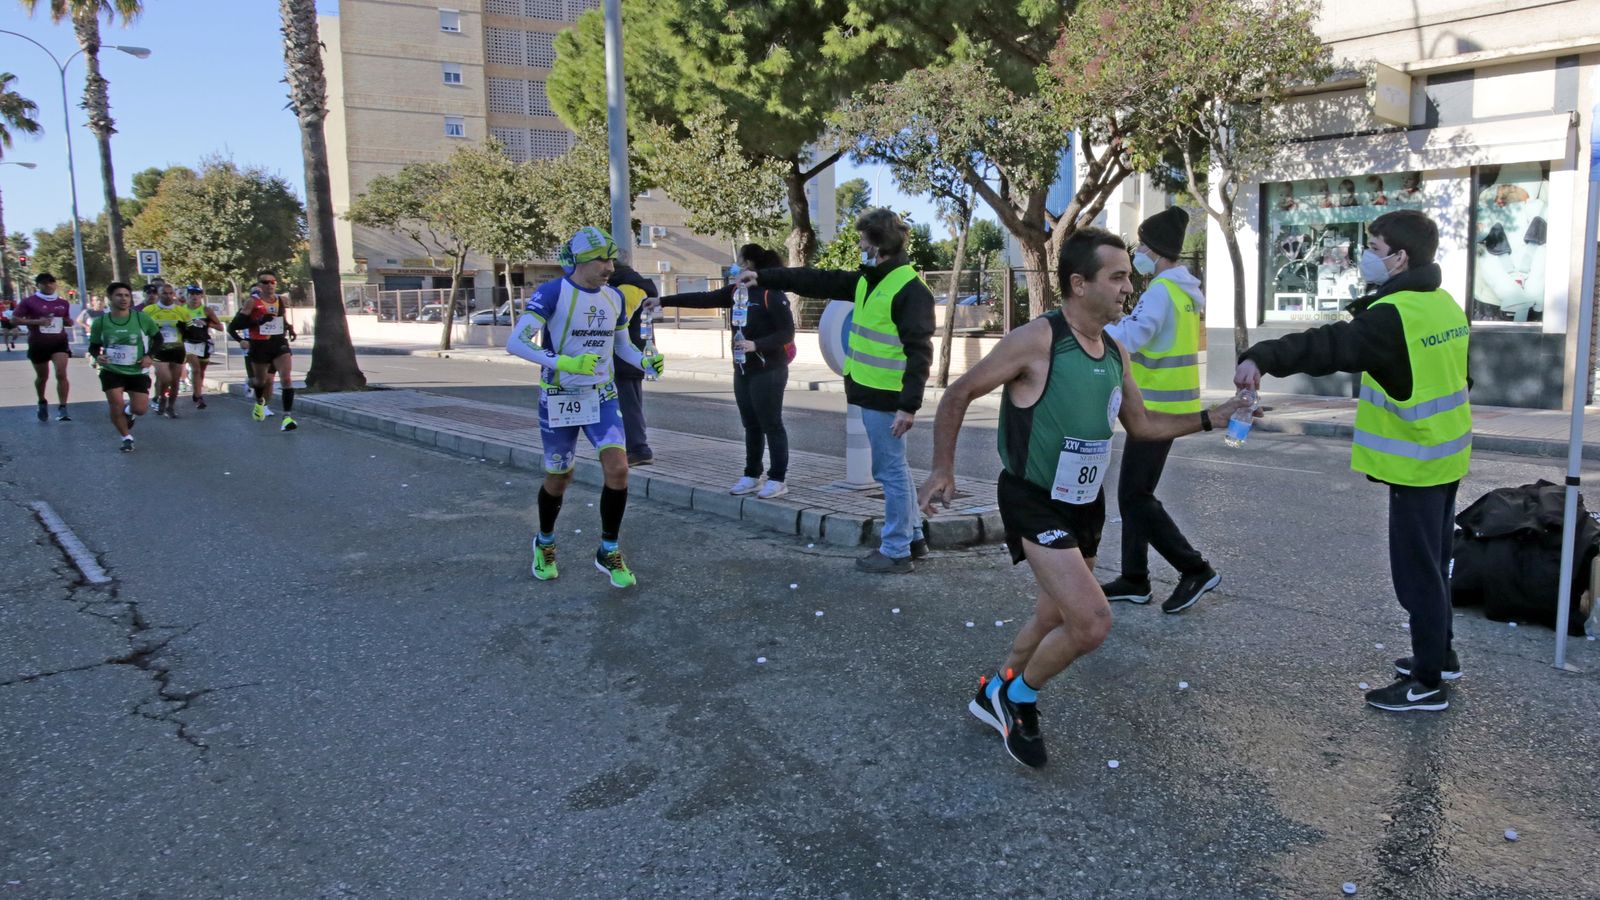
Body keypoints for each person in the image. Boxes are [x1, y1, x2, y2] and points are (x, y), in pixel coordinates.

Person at [919, 227, 1255, 769]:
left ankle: (996, 687)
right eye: (1117, 277)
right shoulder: (1038, 339)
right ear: (1079, 283)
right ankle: (1018, 698)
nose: (1129, 286)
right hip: (1033, 498)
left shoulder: (1115, 349)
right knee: (1092, 621)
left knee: (1052, 614)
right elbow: (959, 392)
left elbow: (1142, 426)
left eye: (1128, 276)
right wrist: (943, 467)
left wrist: (1210, 419)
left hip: (1084, 501)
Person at [1235, 209, 1470, 713]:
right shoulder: (1444, 304)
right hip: (1447, 454)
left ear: (1400, 258)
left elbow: (1329, 346)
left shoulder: (1395, 315)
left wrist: (1263, 356)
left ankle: (1427, 683)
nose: (1367, 256)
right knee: (1435, 566)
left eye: (1375, 248)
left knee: (1417, 575)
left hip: (1416, 463)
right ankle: (1441, 655)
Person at [734, 208, 934, 572]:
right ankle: (913, 538)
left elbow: (919, 353)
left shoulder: (908, 288)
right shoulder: (869, 280)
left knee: (889, 472)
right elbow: (815, 279)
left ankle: (895, 551)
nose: (859, 246)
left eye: (863, 241)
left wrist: (909, 406)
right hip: (870, 391)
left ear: (877, 246)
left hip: (887, 397)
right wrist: (763, 276)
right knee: (896, 469)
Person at [506, 227, 664, 589]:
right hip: (560, 396)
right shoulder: (552, 292)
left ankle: (608, 550)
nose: (609, 267)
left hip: (601, 395)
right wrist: (563, 362)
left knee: (619, 470)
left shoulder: (614, 298)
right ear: (578, 261)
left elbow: (622, 347)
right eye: (600, 260)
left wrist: (644, 362)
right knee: (560, 477)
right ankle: (544, 542)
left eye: (611, 259)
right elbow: (515, 342)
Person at [1099, 207, 1221, 613]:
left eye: (1142, 246)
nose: (1138, 253)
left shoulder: (1161, 291)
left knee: (1134, 496)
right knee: (1136, 494)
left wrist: (1099, 327)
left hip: (1154, 409)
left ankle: (1195, 569)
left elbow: (1132, 337)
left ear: (1155, 249)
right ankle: (1134, 578)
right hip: (1169, 404)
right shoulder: (1183, 292)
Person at [662, 243, 795, 498]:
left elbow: (787, 332)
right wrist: (662, 301)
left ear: (749, 264)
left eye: (738, 260)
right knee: (751, 424)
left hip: (769, 369)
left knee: (771, 424)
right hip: (743, 369)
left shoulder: (770, 293)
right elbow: (703, 298)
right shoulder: (736, 291)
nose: (735, 266)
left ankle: (778, 479)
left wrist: (756, 344)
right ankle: (751, 475)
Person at [87, 282, 163, 453]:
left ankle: (129, 412)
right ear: (110, 298)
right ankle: (126, 437)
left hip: (137, 370)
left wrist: (149, 356)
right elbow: (93, 346)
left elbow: (158, 338)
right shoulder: (100, 322)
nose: (123, 299)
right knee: (116, 403)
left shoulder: (141, 318)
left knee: (140, 409)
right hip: (111, 370)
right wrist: (98, 356)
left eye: (127, 295)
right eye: (119, 295)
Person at [227, 271, 299, 431]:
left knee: (286, 378)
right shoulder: (252, 302)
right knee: (261, 381)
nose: (269, 285)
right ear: (260, 285)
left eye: (272, 282)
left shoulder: (281, 300)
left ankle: (287, 417)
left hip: (279, 343)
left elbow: (281, 319)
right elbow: (234, 326)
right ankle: (259, 402)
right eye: (265, 282)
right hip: (259, 345)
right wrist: (257, 322)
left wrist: (289, 328)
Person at [608, 262, 660, 467]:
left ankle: (638, 449)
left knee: (627, 404)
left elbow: (617, 320)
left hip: (628, 353)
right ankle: (633, 448)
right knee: (628, 403)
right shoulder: (630, 286)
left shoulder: (628, 289)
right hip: (633, 351)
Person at [13, 272, 74, 422]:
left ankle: (63, 408)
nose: (49, 285)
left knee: (61, 373)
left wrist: (68, 322)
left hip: (59, 342)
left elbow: (66, 319)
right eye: (45, 283)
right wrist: (37, 322)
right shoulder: (29, 302)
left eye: (51, 282)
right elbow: (14, 319)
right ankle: (42, 401)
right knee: (42, 377)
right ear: (38, 285)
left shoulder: (63, 303)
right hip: (38, 343)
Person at [143, 283, 190, 418]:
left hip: (177, 349)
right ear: (158, 294)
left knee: (175, 382)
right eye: (164, 293)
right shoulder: (149, 310)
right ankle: (162, 398)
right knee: (166, 378)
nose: (168, 296)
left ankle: (171, 407)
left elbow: (190, 330)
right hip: (158, 350)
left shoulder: (181, 311)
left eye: (170, 293)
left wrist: (185, 329)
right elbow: (141, 330)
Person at [181, 286, 223, 408]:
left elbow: (220, 327)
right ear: (187, 296)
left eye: (197, 294)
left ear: (201, 296)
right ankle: (199, 397)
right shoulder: (181, 309)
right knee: (196, 369)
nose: (194, 297)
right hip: (188, 343)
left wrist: (207, 323)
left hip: (203, 343)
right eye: (191, 294)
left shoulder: (206, 310)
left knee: (201, 371)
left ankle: (197, 391)